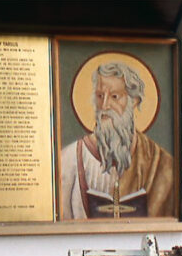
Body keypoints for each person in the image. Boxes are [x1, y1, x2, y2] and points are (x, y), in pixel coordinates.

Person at [60, 61, 175, 220]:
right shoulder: (68, 160)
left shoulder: (161, 165)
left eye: (115, 96)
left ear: (133, 101)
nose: (105, 105)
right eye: (100, 96)